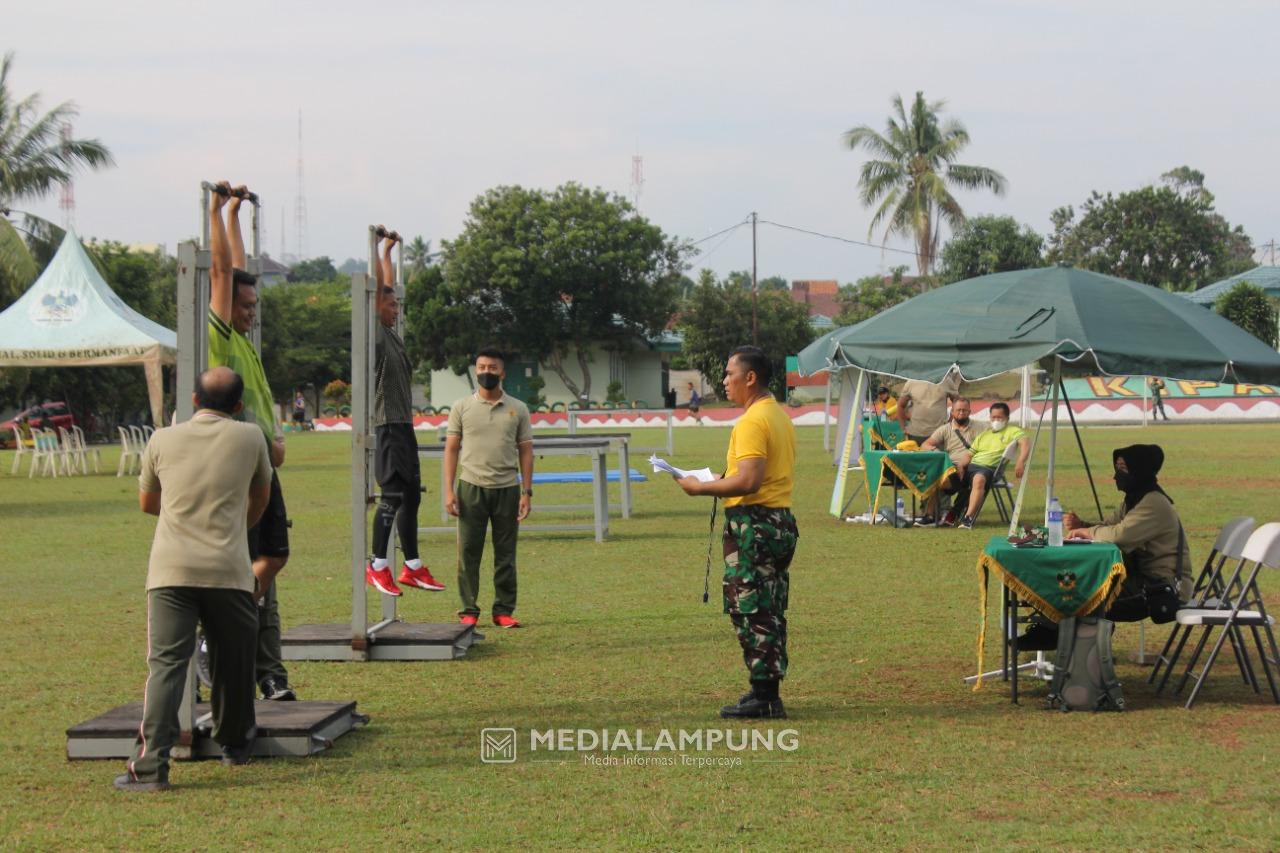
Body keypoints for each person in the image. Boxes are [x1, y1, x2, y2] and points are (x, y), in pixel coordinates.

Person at [114, 367, 272, 792]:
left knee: (165, 667)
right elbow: (261, 497)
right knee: (233, 661)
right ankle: (234, 744)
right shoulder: (250, 437)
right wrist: (236, 526)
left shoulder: (161, 439)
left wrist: (182, 512)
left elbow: (148, 502)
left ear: (194, 400)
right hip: (229, 568)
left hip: (171, 571)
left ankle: (149, 767)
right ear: (238, 406)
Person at [207, 182, 295, 701]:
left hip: (265, 465)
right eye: (245, 305)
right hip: (240, 468)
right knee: (261, 563)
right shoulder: (220, 336)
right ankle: (214, 640)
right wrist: (216, 210)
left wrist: (238, 214)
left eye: (254, 303)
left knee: (270, 567)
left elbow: (238, 273)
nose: (250, 310)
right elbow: (222, 274)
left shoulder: (244, 338)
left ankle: (269, 673)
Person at [676, 346, 797, 719]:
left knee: (752, 609)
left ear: (750, 378)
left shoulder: (751, 422)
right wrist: (720, 480)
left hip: (754, 526)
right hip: (775, 521)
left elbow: (749, 479)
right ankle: (763, 690)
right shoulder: (776, 415)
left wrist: (701, 487)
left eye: (730, 374)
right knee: (767, 606)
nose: (724, 380)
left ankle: (766, 698)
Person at [1018, 444, 1192, 650]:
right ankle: (1058, 632)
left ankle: (1068, 643)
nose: (1116, 476)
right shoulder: (1135, 499)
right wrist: (1083, 525)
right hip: (1139, 579)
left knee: (1087, 595)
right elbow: (1110, 525)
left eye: (1123, 469)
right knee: (1079, 584)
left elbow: (1119, 535)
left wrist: (1086, 532)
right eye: (1117, 469)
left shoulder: (1154, 503)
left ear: (1140, 470)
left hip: (1161, 587)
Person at [364, 230, 444, 596]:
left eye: (397, 305)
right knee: (392, 496)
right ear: (377, 305)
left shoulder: (394, 334)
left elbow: (388, 285)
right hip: (387, 427)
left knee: (412, 495)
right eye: (392, 304)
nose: (397, 310)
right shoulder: (376, 334)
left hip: (405, 426)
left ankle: (411, 565)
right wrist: (378, 252)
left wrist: (389, 250)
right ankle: (377, 565)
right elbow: (378, 287)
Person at [444, 347, 534, 628]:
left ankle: (503, 610)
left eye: (492, 368)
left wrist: (526, 492)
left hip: (507, 488)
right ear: (475, 370)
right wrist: (448, 491)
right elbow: (451, 450)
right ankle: (469, 610)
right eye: (482, 367)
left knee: (505, 554)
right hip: (471, 487)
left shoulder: (517, 408)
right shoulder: (461, 407)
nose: (486, 372)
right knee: (468, 552)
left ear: (502, 373)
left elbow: (526, 452)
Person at [955, 402, 1029, 529]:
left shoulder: (1013, 431)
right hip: (972, 467)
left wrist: (1021, 461)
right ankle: (935, 515)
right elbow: (969, 454)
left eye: (999, 418)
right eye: (993, 417)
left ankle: (968, 518)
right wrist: (960, 466)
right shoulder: (984, 434)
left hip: (990, 469)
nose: (996, 420)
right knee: (945, 477)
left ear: (1007, 418)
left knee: (979, 479)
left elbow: (1025, 443)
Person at [919, 396, 978, 526]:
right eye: (958, 410)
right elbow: (925, 445)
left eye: (964, 410)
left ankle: (953, 513)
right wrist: (936, 451)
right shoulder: (945, 429)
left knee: (971, 478)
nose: (961, 413)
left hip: (972, 466)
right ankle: (930, 515)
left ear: (970, 411)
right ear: (952, 412)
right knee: (933, 476)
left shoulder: (980, 427)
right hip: (950, 467)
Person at [896, 374, 961, 444]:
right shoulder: (912, 382)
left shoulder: (946, 381)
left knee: (939, 455)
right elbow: (900, 405)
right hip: (915, 435)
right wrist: (903, 428)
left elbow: (959, 404)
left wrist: (951, 423)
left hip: (939, 434)